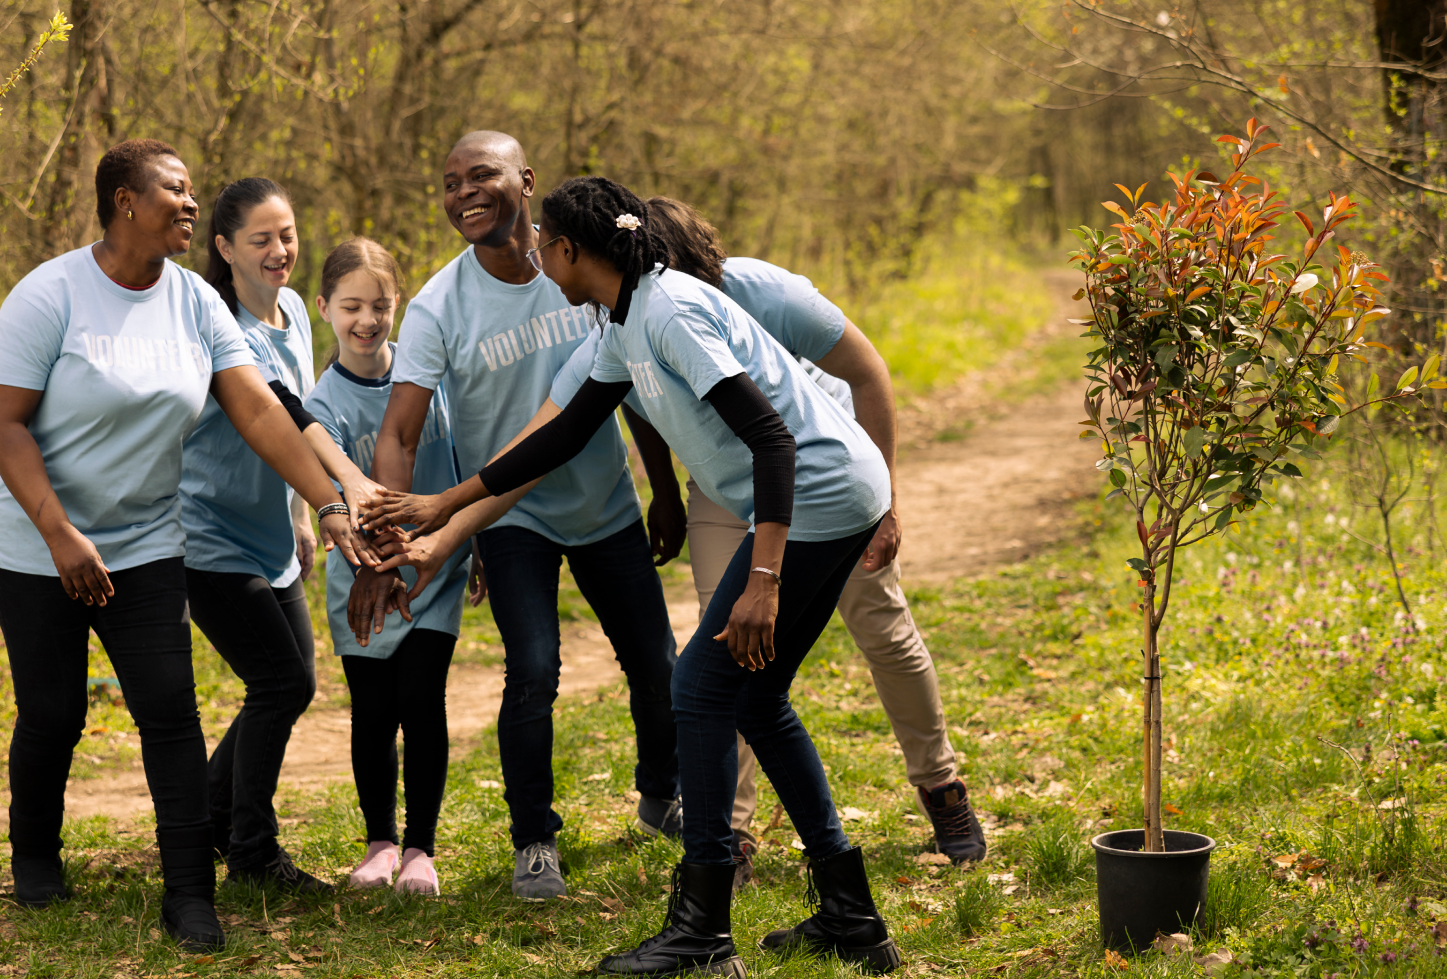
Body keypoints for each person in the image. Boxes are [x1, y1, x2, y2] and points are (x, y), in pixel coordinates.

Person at [369, 177, 903, 976]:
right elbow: (561, 436)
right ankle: (851, 916)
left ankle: (703, 930)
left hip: (820, 501)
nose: (536, 249)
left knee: (698, 688)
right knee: (752, 696)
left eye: (545, 238)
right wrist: (445, 504)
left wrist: (763, 577)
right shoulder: (625, 320)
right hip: (831, 498)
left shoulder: (672, 311)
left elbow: (773, 441)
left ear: (574, 252)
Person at [0, 140, 364, 950]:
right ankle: (35, 861)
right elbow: (3, 423)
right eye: (174, 190)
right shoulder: (50, 295)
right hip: (36, 541)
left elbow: (260, 411)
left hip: (147, 541)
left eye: (193, 192)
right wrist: (59, 534)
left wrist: (330, 503)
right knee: (53, 710)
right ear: (124, 200)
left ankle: (189, 896)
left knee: (170, 714)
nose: (192, 203)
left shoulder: (194, 300)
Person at [366, 131, 684, 900]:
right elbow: (399, 433)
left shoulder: (581, 268)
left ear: (527, 182)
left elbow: (629, 380)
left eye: (481, 175)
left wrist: (664, 489)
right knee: (533, 670)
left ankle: (660, 792)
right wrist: (389, 544)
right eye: (450, 182)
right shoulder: (441, 304)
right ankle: (534, 840)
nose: (464, 193)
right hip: (509, 518)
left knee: (655, 663)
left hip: (605, 501)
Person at [644, 197, 987, 874]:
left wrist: (885, 501)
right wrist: (662, 494)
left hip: (821, 470)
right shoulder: (628, 314)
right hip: (722, 487)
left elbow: (868, 372)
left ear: (705, 267)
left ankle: (941, 786)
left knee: (882, 630)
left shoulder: (763, 290)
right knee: (728, 646)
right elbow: (641, 406)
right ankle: (732, 832)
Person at [179, 177, 374, 893]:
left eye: (286, 234)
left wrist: (297, 510)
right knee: (279, 680)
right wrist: (336, 493)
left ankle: (205, 817)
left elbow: (299, 415)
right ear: (224, 247)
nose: (279, 251)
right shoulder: (220, 327)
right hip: (205, 536)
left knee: (292, 684)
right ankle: (252, 853)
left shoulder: (292, 307)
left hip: (268, 535)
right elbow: (283, 414)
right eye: (260, 239)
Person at [303, 239, 470, 897]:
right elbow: (338, 503)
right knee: (373, 712)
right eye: (351, 307)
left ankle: (421, 851)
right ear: (324, 309)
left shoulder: (426, 373)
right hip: (363, 581)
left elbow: (459, 462)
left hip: (433, 570)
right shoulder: (322, 406)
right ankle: (379, 844)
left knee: (423, 702)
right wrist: (372, 558)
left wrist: (469, 542)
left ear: (398, 305)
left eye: (380, 305)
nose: (367, 320)